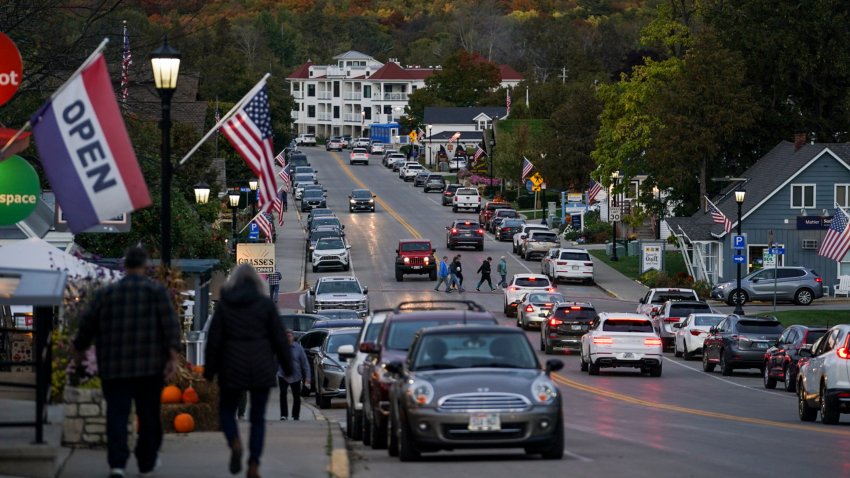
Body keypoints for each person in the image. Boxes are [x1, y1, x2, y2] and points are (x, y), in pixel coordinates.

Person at [73, 246, 180, 478]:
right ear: (144, 266)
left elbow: (87, 325)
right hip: (149, 367)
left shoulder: (107, 294)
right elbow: (170, 326)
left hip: (115, 367)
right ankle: (146, 461)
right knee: (149, 415)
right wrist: (172, 357)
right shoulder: (156, 292)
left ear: (125, 266)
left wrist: (79, 351)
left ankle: (117, 464)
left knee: (117, 416)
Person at [204, 264, 293, 478]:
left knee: (226, 411)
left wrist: (209, 371)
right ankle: (254, 463)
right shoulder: (265, 305)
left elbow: (214, 340)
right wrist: (287, 365)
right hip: (261, 365)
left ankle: (234, 442)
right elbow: (279, 338)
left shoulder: (225, 306)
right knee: (257, 418)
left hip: (231, 366)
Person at [278, 330, 310, 420]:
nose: (288, 338)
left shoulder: (298, 348)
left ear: (293, 337)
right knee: (283, 393)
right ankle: (283, 415)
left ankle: (295, 415)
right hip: (282, 374)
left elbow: (305, 363)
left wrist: (307, 377)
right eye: (286, 336)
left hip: (296, 375)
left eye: (290, 336)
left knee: (296, 396)